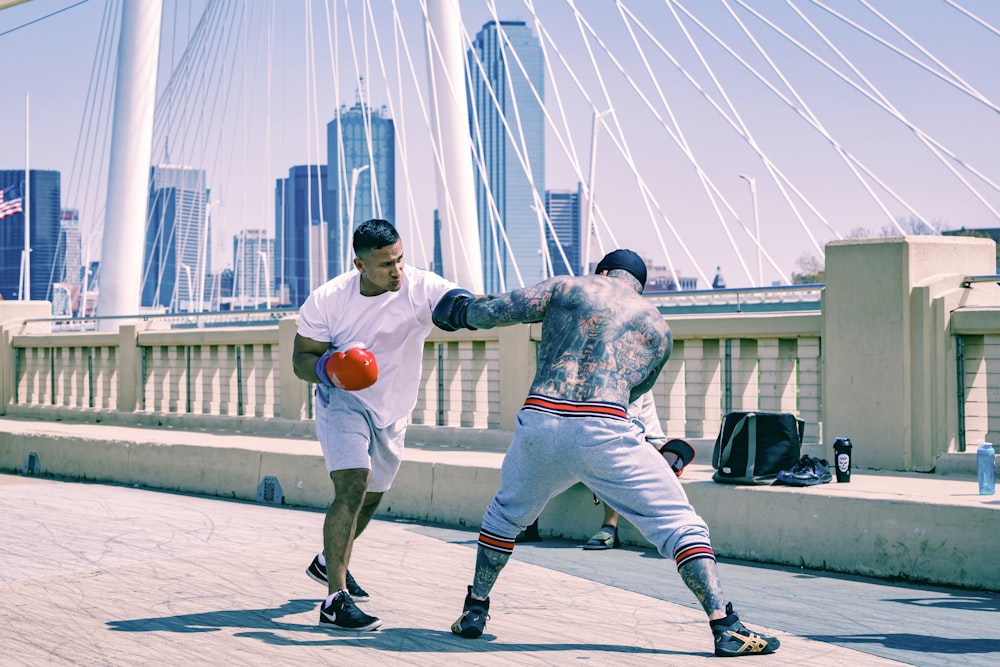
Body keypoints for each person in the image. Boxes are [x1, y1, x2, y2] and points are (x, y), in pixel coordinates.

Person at [432, 248, 780, 657]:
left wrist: (457, 311)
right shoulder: (658, 328)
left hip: (542, 419)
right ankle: (726, 627)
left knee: (505, 516)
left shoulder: (568, 286)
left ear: (601, 272)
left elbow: (496, 310)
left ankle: (475, 610)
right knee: (680, 524)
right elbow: (634, 393)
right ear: (640, 285)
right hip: (604, 427)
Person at [292, 218, 464, 632]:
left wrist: (482, 311)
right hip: (343, 401)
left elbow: (460, 302)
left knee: (370, 498)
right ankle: (335, 598)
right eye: (386, 264)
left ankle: (326, 561)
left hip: (393, 409)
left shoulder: (420, 286)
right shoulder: (328, 300)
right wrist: (332, 367)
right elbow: (301, 360)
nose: (397, 270)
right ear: (360, 265)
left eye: (400, 259)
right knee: (351, 485)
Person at [583, 392, 695, 550]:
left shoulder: (630, 378)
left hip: (646, 441)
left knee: (612, 451)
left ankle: (609, 526)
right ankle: (534, 521)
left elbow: (622, 424)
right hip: (615, 437)